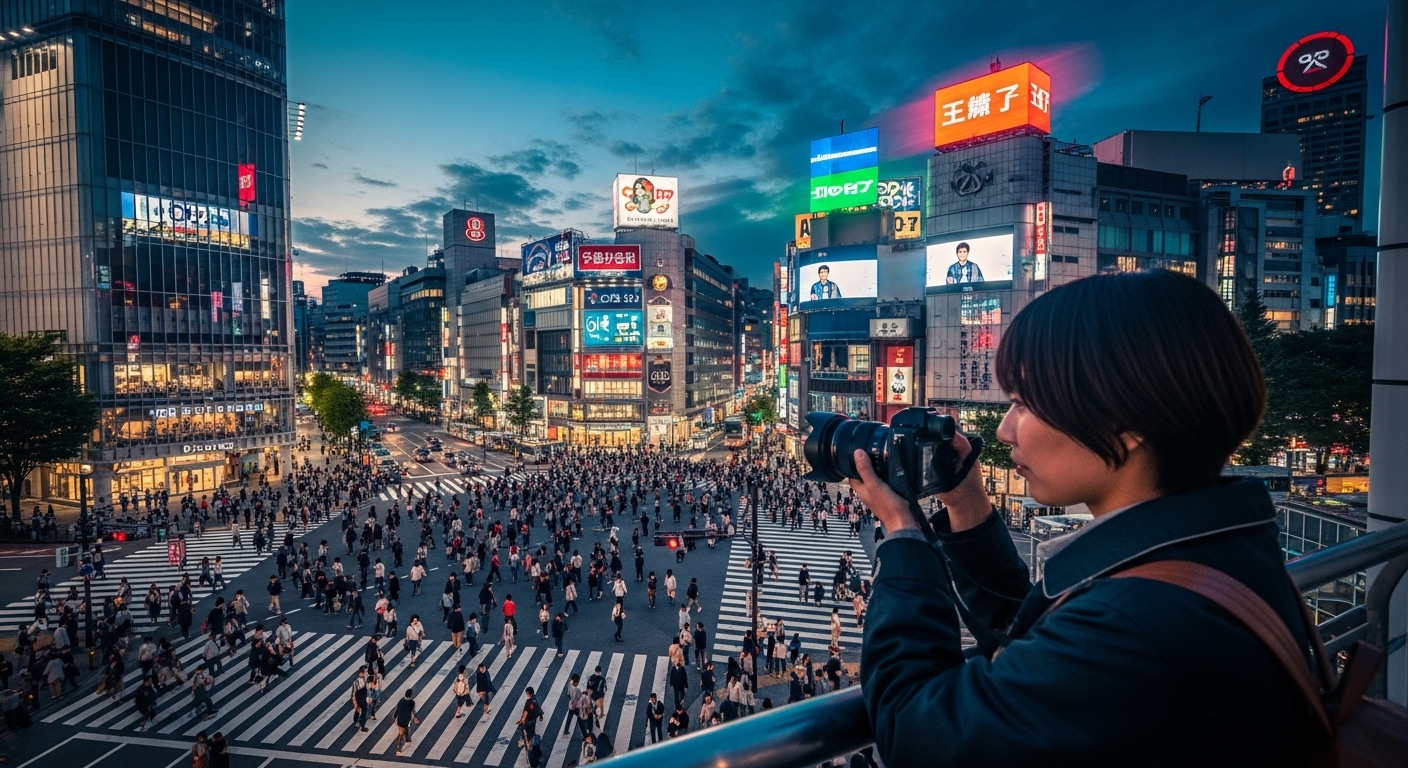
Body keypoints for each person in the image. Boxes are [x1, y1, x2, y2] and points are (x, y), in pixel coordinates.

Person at [852, 270, 1314, 766]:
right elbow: (1037, 639)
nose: (1005, 430)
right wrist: (967, 505)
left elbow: (920, 730)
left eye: (1023, 404)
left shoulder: (1133, 625)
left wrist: (903, 536)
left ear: (1127, 422)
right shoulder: (1213, 551)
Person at [394, 688, 419, 756]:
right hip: (406, 719)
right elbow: (413, 711)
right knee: (402, 732)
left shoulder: (401, 701)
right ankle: (398, 748)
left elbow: (397, 709)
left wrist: (395, 717)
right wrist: (415, 717)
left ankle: (407, 738)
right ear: (411, 695)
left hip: (400, 719)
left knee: (404, 729)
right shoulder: (412, 702)